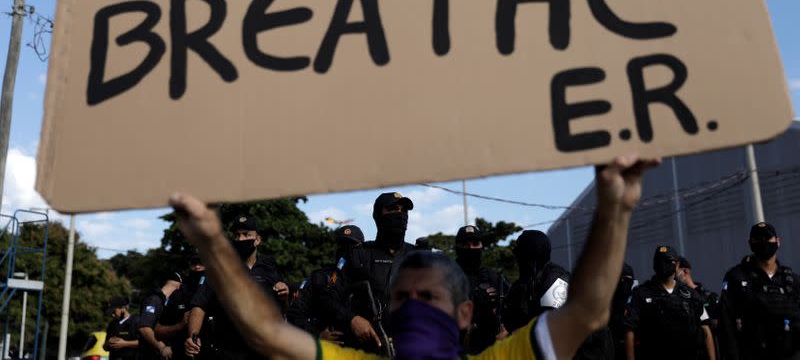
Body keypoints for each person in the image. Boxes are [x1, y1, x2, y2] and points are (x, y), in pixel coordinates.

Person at [169, 153, 660, 359]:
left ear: (465, 313)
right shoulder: (357, 262)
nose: (416, 303)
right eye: (405, 297)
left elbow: (590, 310)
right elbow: (268, 332)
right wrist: (214, 244)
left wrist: (616, 205)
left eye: (430, 295)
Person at [185, 214, 288, 360]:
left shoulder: (270, 268)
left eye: (246, 235)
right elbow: (199, 304)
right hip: (229, 351)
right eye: (237, 235)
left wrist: (284, 296)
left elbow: (282, 307)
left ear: (257, 240)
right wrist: (192, 336)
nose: (240, 239)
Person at [504, 229, 614, 359]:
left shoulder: (556, 279)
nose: (517, 259)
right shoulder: (523, 285)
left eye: (520, 254)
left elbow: (554, 329)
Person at [345, 192, 416, 353]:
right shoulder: (359, 254)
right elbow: (332, 298)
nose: (400, 214)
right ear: (378, 215)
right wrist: (352, 319)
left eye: (403, 210)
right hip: (368, 349)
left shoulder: (420, 256)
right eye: (393, 209)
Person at [718, 221, 800, 360]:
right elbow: (726, 324)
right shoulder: (737, 277)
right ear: (750, 243)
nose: (763, 242)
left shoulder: (791, 279)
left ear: (778, 242)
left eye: (767, 238)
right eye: (758, 239)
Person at [623, 245, 714, 360]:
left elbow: (705, 327)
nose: (664, 265)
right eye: (660, 261)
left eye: (668, 261)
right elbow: (629, 330)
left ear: (676, 266)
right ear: (654, 265)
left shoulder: (690, 294)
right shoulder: (640, 294)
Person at [287, 224, 365, 347]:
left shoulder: (370, 279)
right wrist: (317, 335)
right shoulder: (319, 278)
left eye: (352, 246)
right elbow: (294, 314)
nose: (346, 251)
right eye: (342, 245)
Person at [454, 224, 509, 354]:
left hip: (489, 350)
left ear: (482, 246)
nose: (470, 248)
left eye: (475, 243)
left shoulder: (495, 278)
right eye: (465, 244)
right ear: (457, 247)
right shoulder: (445, 275)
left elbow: (510, 311)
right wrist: (475, 299)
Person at [156, 256, 206, 359]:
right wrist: (179, 325)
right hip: (181, 354)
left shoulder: (220, 293)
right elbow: (158, 332)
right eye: (194, 263)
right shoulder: (179, 294)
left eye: (201, 263)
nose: (197, 267)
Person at [137, 272, 183, 360]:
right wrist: (162, 347)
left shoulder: (166, 302)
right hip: (150, 354)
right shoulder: (154, 300)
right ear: (176, 284)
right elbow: (144, 327)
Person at [609, 264, 636, 360]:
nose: (622, 283)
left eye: (627, 280)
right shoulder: (604, 306)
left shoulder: (637, 301)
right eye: (619, 279)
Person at [104, 296, 139, 360]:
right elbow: (104, 347)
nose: (112, 315)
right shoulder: (112, 325)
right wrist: (108, 344)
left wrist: (125, 344)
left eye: (114, 311)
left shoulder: (136, 321)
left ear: (123, 308)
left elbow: (145, 343)